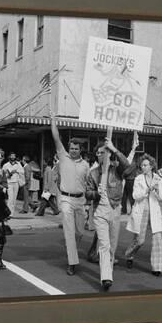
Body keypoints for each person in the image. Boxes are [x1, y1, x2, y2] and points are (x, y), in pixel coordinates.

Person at [85, 136, 130, 291]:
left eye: (103, 152)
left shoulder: (116, 169)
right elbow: (87, 193)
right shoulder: (93, 173)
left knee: (112, 247)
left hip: (115, 209)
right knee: (104, 245)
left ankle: (108, 271)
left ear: (109, 154)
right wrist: (95, 193)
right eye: (98, 153)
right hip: (100, 212)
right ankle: (106, 278)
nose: (100, 155)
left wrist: (114, 149)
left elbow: (129, 169)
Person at [51, 114, 90, 276]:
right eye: (71, 148)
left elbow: (89, 184)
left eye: (76, 148)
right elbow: (56, 137)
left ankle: (72, 244)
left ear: (80, 150)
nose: (73, 150)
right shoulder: (63, 157)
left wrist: (88, 202)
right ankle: (72, 262)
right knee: (69, 230)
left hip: (80, 200)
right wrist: (53, 121)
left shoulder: (86, 165)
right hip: (66, 199)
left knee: (80, 232)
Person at [124, 154, 162, 277]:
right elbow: (135, 196)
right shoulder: (138, 179)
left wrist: (156, 190)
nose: (143, 167)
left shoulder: (158, 178)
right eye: (142, 165)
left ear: (151, 166)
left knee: (157, 240)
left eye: (146, 165)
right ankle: (129, 255)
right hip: (141, 212)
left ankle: (157, 268)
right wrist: (147, 191)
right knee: (140, 240)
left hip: (154, 213)